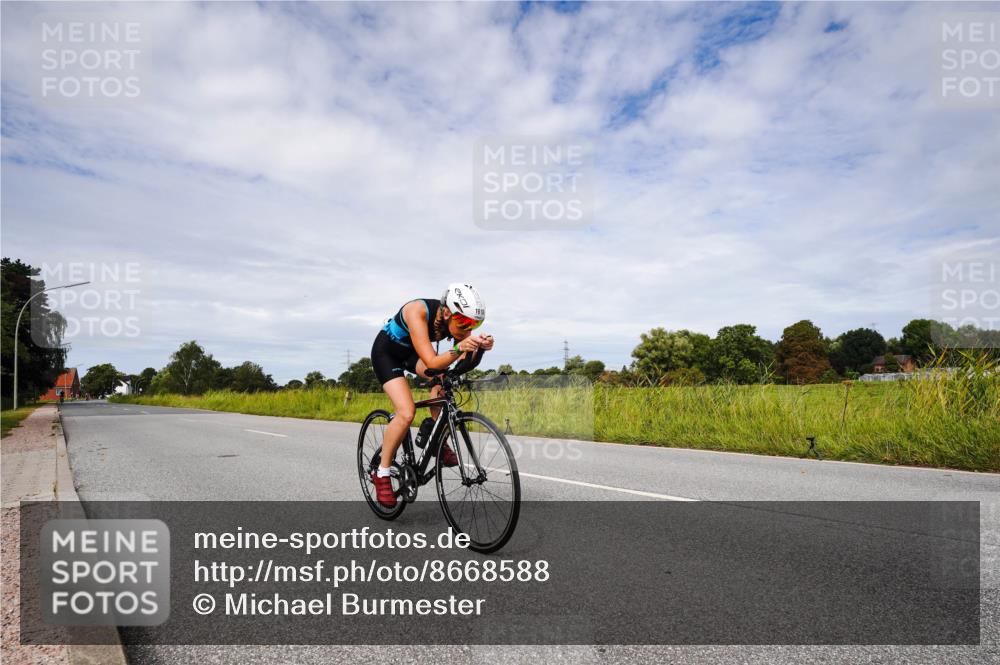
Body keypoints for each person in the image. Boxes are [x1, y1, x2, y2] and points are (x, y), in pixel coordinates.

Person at [369, 283, 494, 507]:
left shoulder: (458, 321)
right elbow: (432, 362)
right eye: (465, 322)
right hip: (387, 354)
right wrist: (459, 349)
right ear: (447, 312)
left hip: (412, 355)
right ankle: (382, 472)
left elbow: (460, 366)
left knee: (444, 382)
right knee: (406, 413)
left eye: (475, 324)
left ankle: (434, 438)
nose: (468, 328)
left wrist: (479, 350)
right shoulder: (417, 311)